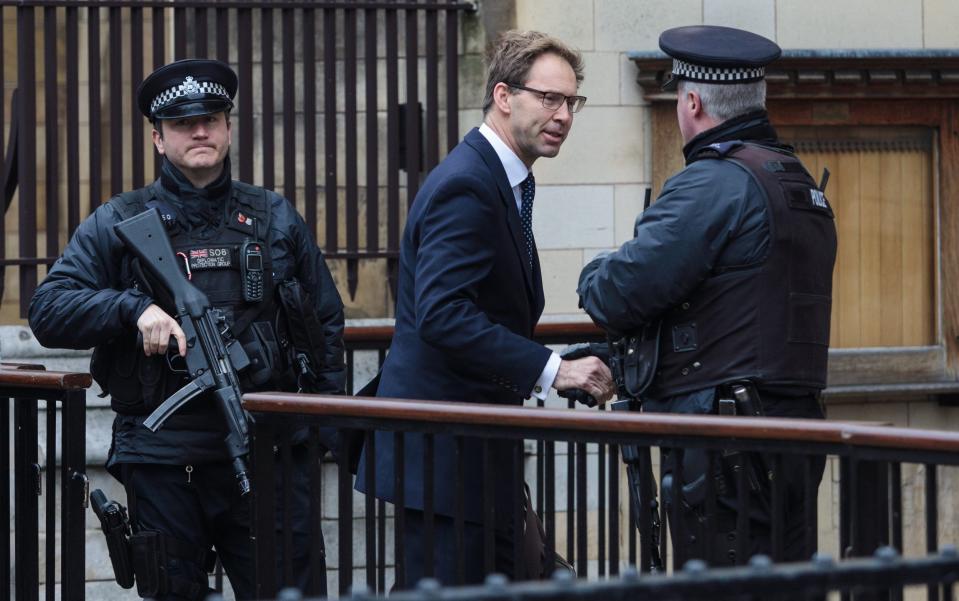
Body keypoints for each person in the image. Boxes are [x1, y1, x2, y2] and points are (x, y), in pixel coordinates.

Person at [29, 59, 345, 600]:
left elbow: (326, 328)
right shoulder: (119, 222)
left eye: (212, 119)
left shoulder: (274, 218)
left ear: (228, 127)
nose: (200, 131)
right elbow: (49, 310)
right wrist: (132, 310)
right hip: (164, 462)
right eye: (182, 123)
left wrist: (319, 440)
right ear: (157, 137)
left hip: (267, 455)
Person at [355, 30, 614, 587]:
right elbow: (444, 314)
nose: (564, 115)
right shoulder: (470, 183)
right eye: (549, 98)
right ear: (503, 96)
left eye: (572, 102)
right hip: (444, 458)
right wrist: (553, 370)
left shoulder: (500, 178)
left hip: (472, 453)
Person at [577, 26, 837, 566]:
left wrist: (594, 271)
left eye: (678, 96)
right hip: (789, 433)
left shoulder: (715, 182)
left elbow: (617, 292)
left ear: (692, 101)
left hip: (727, 444)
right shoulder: (796, 179)